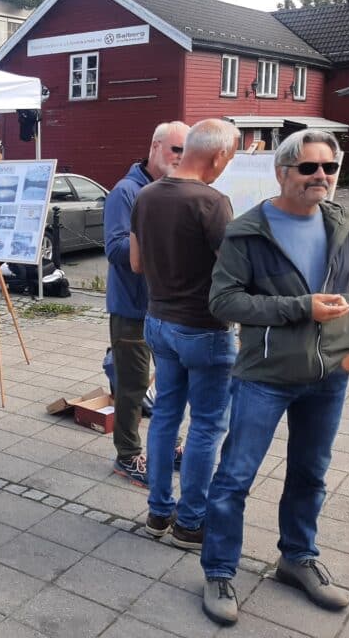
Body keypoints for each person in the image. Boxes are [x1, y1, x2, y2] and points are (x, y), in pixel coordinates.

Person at [200, 130, 349, 626]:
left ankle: (297, 557)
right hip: (264, 376)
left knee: (311, 474)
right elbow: (223, 302)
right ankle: (220, 570)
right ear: (282, 172)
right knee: (235, 478)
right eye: (309, 168)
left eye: (329, 168)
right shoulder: (248, 232)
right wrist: (300, 308)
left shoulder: (344, 225)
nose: (321, 178)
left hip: (329, 375)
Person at [129, 118, 239, 549]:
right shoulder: (213, 203)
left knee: (165, 419)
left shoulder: (146, 195)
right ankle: (191, 523)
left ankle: (158, 514)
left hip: (158, 322)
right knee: (207, 426)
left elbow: (137, 264)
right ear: (218, 156)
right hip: (204, 328)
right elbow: (232, 272)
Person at [105, 121, 189, 486]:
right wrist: (160, 245)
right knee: (133, 385)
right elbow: (115, 248)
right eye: (175, 150)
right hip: (132, 308)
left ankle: (165, 446)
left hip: (168, 307)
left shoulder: (175, 190)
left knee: (170, 383)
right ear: (155, 147)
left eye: (186, 152)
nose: (180, 158)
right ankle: (127, 455)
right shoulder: (126, 192)